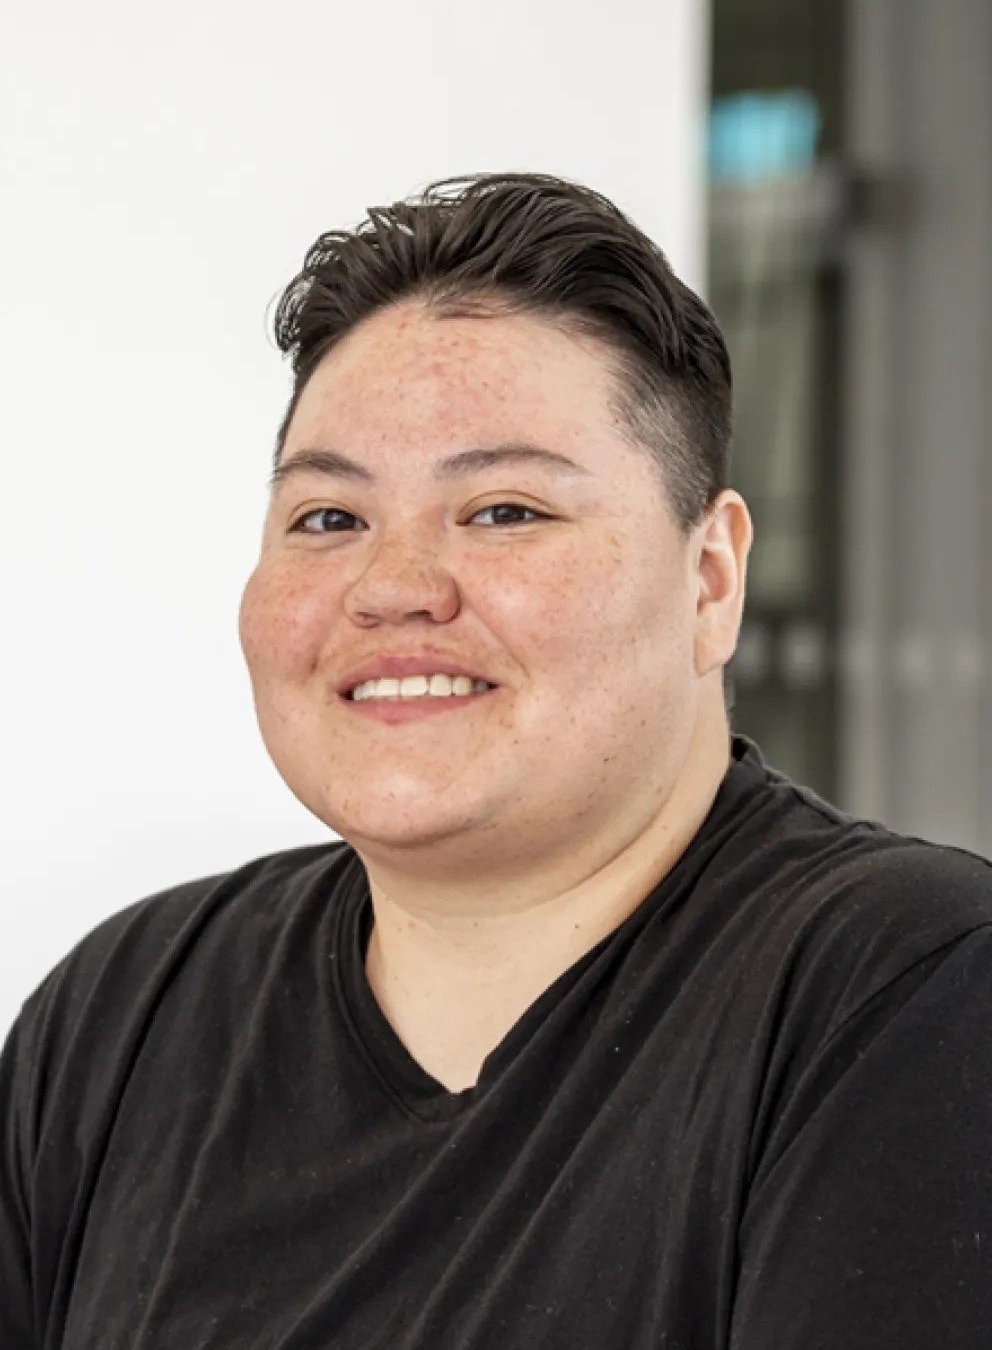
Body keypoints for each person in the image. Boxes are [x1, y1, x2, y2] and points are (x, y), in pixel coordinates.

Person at [2, 173, 990, 1350]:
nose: (395, 587)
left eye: (504, 510)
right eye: (328, 519)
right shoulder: (123, 1019)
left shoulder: (906, 996)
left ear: (709, 578)